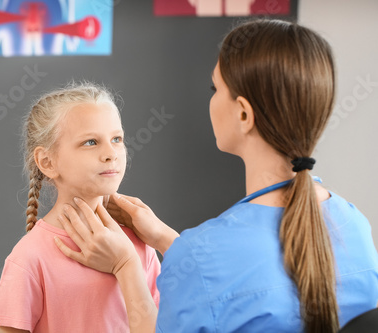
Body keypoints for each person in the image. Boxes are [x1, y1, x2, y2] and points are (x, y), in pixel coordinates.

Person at [55, 19, 378, 333]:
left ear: (243, 113)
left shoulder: (203, 254)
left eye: (215, 87)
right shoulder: (354, 223)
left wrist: (126, 265)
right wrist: (168, 241)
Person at [0, 82, 161, 333]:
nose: (111, 153)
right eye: (91, 142)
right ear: (47, 162)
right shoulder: (29, 258)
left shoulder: (139, 243)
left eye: (117, 139)